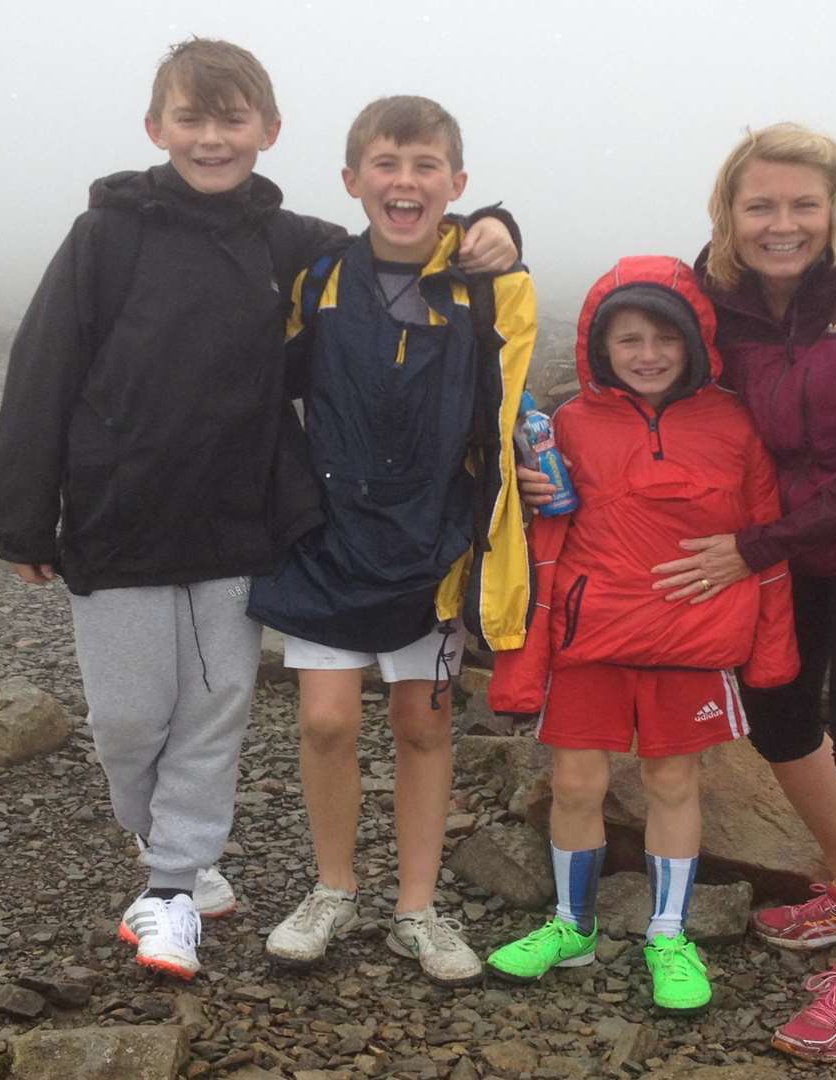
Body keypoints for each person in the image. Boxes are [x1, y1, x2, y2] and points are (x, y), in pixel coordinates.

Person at [0, 41, 516, 981]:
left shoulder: (290, 245)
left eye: (234, 121)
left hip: (243, 521)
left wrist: (491, 224)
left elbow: (401, 243)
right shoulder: (104, 236)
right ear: (158, 128)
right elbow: (44, 368)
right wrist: (25, 514)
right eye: (192, 118)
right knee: (126, 723)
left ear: (269, 132)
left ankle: (173, 887)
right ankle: (164, 849)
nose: (213, 138)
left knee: (217, 709)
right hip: (119, 516)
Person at [520, 124, 836, 1060]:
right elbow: (643, 350)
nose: (782, 224)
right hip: (775, 540)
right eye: (761, 205)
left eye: (804, 204)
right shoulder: (719, 289)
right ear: (730, 211)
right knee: (779, 714)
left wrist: (750, 547)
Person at [248, 95, 536, 987]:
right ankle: (333, 888)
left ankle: (418, 906)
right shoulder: (320, 277)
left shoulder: (499, 287)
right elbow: (259, 383)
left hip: (435, 541)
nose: (403, 183)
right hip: (329, 535)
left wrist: (499, 236)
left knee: (422, 725)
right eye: (385, 165)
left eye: (424, 168)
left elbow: (504, 413)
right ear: (351, 180)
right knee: (327, 720)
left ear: (456, 183)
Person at [483, 256, 798, 1014]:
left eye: (665, 337)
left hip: (693, 640)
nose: (648, 354)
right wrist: (527, 497)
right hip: (591, 638)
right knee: (576, 783)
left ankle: (668, 931)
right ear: (600, 345)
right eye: (629, 339)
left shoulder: (735, 424)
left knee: (673, 783)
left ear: (695, 342)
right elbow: (543, 542)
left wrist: (772, 650)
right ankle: (570, 925)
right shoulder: (566, 425)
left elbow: (766, 540)